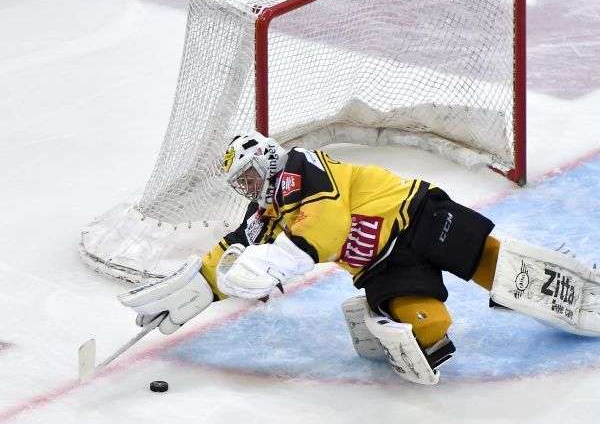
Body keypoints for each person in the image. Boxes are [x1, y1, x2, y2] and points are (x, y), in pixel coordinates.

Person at [119, 131, 600, 385]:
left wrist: (278, 259)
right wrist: (202, 284)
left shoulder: (302, 170)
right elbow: (236, 247)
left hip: (418, 216)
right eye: (241, 185)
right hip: (383, 265)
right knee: (430, 329)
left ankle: (561, 286)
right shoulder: (267, 209)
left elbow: (326, 227)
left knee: (492, 264)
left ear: (266, 159)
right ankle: (383, 316)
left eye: (249, 176)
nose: (248, 188)